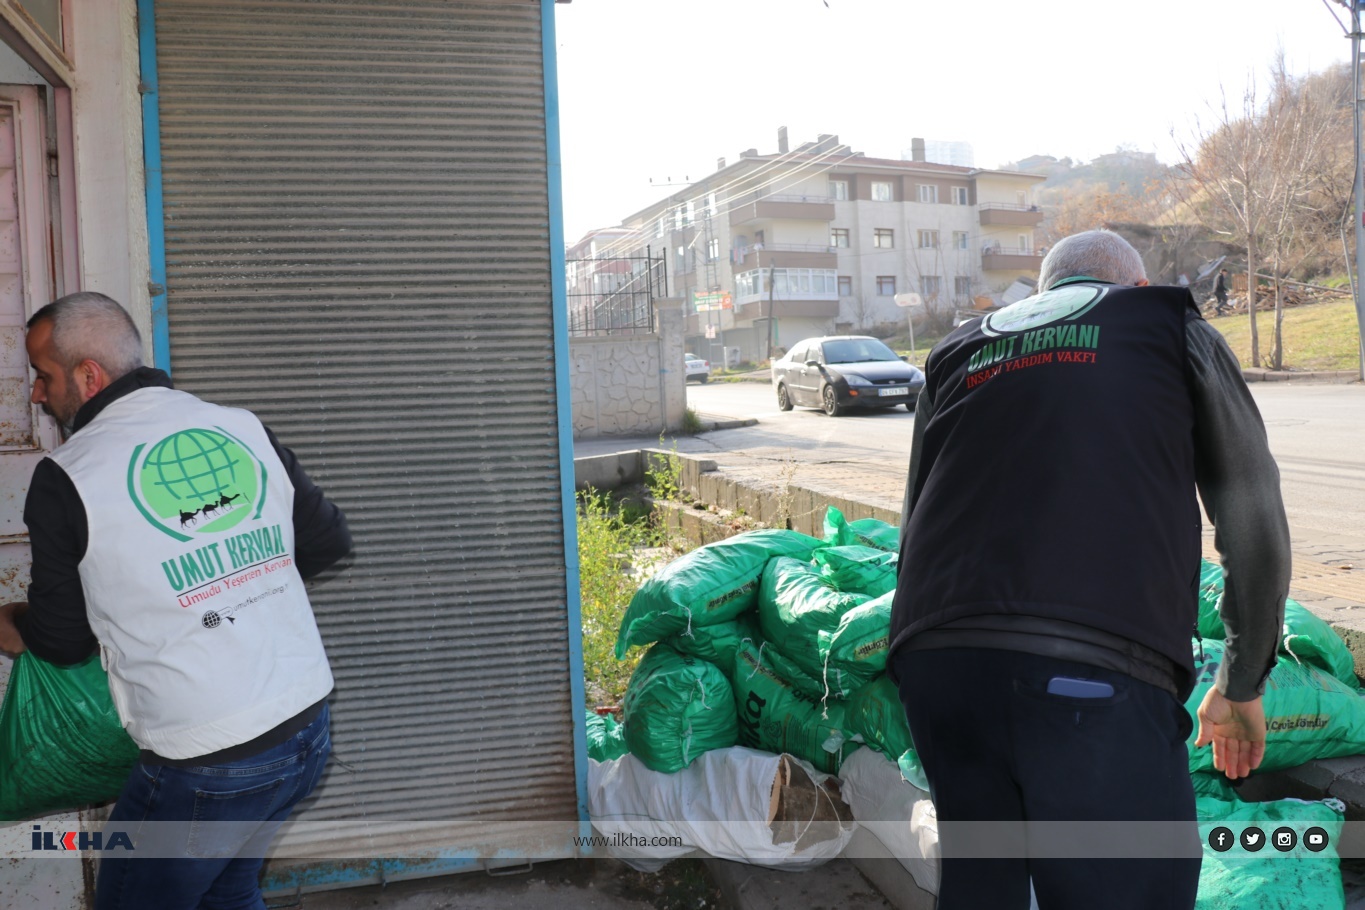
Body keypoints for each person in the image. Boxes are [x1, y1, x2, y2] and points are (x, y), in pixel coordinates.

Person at [888, 230, 1289, 909]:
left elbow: (913, 522)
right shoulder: (1161, 323)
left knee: (982, 892)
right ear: (1129, 286)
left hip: (937, 666)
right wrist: (1241, 682)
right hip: (1088, 672)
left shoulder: (957, 350)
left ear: (1043, 297)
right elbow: (1251, 521)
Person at [0, 292, 352, 910]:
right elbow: (325, 540)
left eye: (43, 375)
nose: (36, 393)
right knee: (229, 894)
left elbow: (61, 641)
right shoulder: (238, 426)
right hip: (306, 728)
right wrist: (237, 579)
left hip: (208, 760)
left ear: (88, 375)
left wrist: (14, 624)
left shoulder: (69, 474)